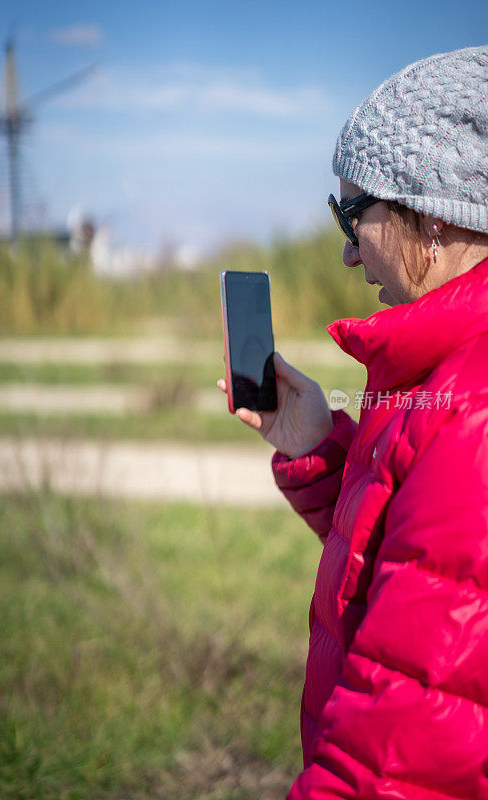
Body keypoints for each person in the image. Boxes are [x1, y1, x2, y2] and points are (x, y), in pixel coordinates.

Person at [218, 45, 488, 798]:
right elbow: (425, 565)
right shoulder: (445, 372)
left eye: (351, 211)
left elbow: (404, 749)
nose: (343, 249)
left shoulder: (473, 410)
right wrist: (323, 451)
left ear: (431, 215)